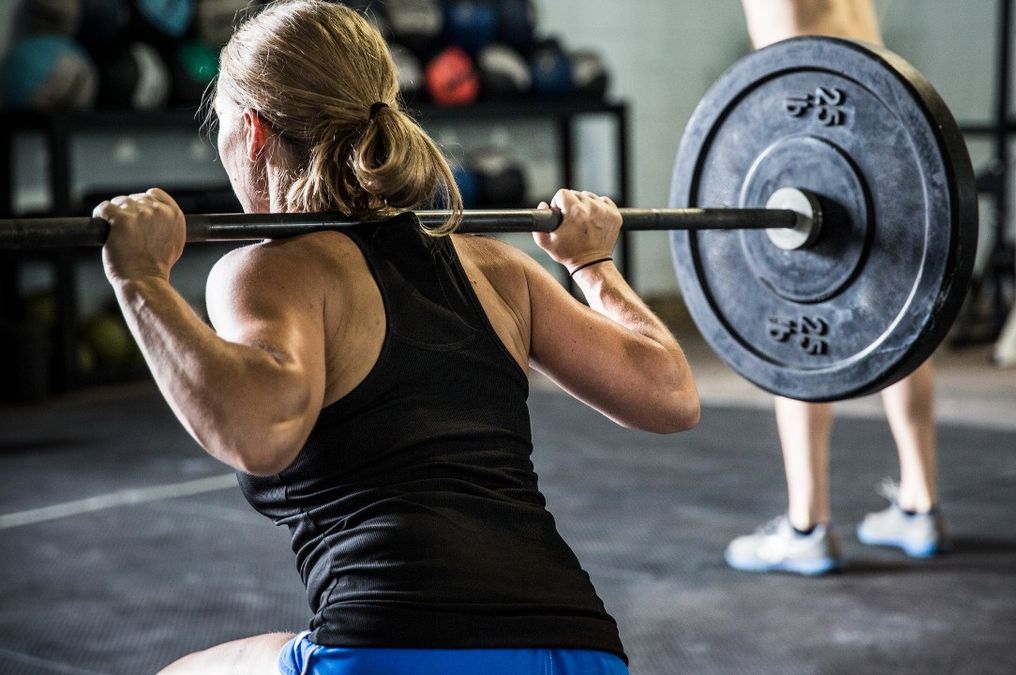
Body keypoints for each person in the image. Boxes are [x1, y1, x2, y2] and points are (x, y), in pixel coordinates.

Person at [94, 1, 699, 672]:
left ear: (254, 132)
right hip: (580, 650)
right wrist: (593, 263)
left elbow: (260, 432)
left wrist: (140, 279)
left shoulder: (270, 269)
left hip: (391, 646)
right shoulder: (495, 266)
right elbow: (670, 394)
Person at [724, 0, 948, 577]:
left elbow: (787, 59)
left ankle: (807, 525)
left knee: (798, 319)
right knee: (899, 314)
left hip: (808, 135)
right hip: (879, 122)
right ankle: (920, 505)